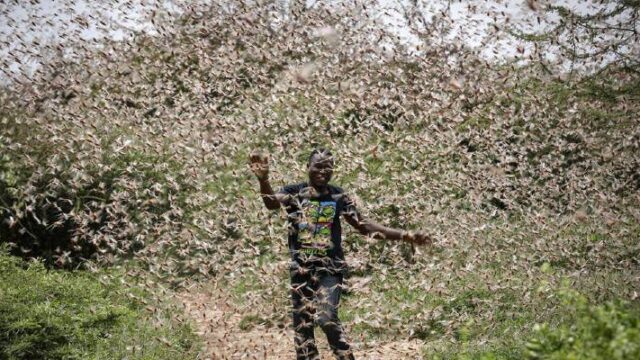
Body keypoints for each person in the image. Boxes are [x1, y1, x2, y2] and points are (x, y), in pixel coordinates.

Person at [250, 148, 431, 360]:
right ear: (307, 167)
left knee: (326, 318)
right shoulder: (294, 192)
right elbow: (272, 203)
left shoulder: (338, 196)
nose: (322, 171)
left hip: (330, 268)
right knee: (303, 330)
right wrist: (263, 180)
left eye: (328, 167)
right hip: (301, 269)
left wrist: (404, 235)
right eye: (318, 166)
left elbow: (364, 226)